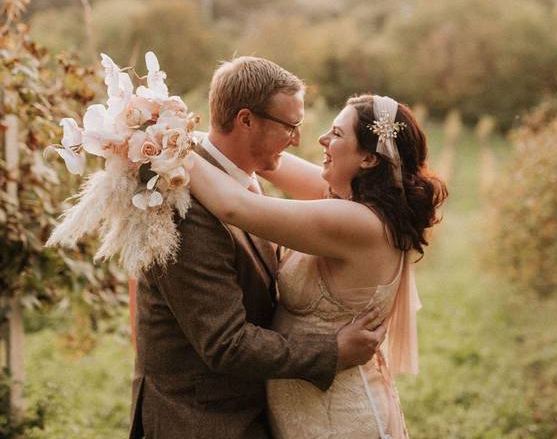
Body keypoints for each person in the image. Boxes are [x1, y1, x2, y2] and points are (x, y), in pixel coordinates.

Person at [129, 57, 387, 439]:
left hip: (247, 410)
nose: (299, 139)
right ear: (246, 120)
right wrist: (332, 351)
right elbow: (226, 343)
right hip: (201, 421)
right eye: (290, 126)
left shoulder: (240, 177)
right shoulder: (188, 209)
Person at [188, 93, 447, 438]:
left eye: (337, 135)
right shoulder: (347, 198)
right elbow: (268, 159)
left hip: (341, 421)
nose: (322, 139)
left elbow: (234, 206)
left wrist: (166, 149)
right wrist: (169, 125)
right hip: (306, 414)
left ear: (368, 157)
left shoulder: (358, 222)